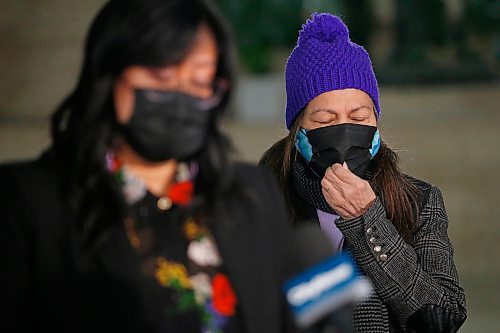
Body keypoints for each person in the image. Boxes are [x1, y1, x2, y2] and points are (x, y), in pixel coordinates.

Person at [0, 1, 301, 332]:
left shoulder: (251, 194)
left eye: (200, 83)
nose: (181, 96)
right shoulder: (29, 202)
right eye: (162, 77)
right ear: (109, 73)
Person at [260, 13, 467, 333]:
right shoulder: (260, 199)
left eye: (358, 116)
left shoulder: (419, 201)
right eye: (326, 120)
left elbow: (443, 317)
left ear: (375, 123)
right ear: (297, 130)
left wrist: (368, 221)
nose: (344, 130)